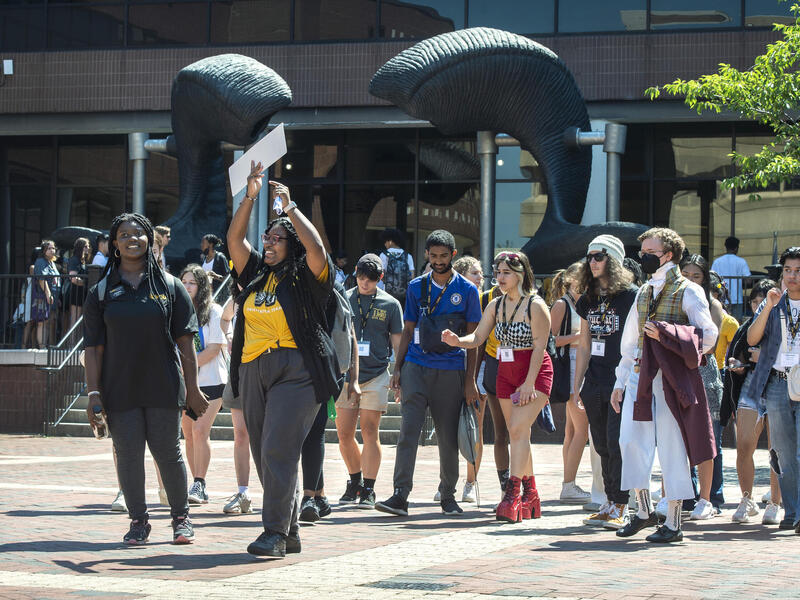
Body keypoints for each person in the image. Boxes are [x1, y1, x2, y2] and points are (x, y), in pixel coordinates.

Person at [227, 162, 340, 557]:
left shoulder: (306, 276)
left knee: (278, 448)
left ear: (290, 244)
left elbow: (318, 249)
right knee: (264, 452)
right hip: (252, 368)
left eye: (277, 239)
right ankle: (289, 530)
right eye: (267, 237)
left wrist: (289, 209)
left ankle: (273, 533)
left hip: (298, 370)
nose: (269, 243)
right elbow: (234, 239)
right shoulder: (256, 274)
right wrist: (251, 196)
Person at [83, 212, 209, 545]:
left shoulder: (170, 286)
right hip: (119, 386)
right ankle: (138, 521)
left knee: (168, 452)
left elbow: (186, 343)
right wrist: (93, 393)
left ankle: (181, 519)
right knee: (127, 453)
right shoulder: (101, 292)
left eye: (139, 233)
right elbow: (93, 349)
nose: (132, 239)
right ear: (115, 244)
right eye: (124, 234)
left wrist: (193, 389)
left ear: (150, 239)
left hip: (163, 383)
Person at [613, 227, 717, 543]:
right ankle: (643, 512)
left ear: (667, 255)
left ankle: (673, 521)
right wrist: (620, 381)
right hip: (639, 376)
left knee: (673, 446)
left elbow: (709, 336)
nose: (641, 255)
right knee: (629, 441)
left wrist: (669, 334)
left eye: (648, 251)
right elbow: (630, 342)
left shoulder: (689, 290)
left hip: (671, 379)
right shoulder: (643, 291)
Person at [375, 230, 481, 518]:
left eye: (443, 256)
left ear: (453, 256)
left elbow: (473, 340)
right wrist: (398, 369)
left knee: (447, 437)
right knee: (407, 433)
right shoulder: (415, 287)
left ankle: (448, 495)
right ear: (426, 255)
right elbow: (407, 330)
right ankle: (400, 495)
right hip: (416, 368)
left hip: (450, 370)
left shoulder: (468, 292)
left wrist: (470, 380)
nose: (438, 261)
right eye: (433, 256)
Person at [442, 251, 552, 522]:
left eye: (506, 273)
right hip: (505, 371)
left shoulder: (536, 305)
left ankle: (513, 494)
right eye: (498, 272)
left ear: (520, 274)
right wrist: (458, 341)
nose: (500, 278)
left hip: (533, 372)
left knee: (516, 429)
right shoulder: (495, 304)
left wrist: (528, 383)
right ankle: (531, 495)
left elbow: (540, 346)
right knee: (519, 434)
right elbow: (478, 337)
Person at [572, 235, 638, 530]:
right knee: (600, 444)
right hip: (594, 380)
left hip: (619, 380)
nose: (593, 262)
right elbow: (584, 344)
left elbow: (637, 343)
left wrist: (629, 379)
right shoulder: (587, 298)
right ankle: (609, 502)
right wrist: (577, 385)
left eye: (599, 256)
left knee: (616, 442)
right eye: (589, 257)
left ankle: (622, 505)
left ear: (613, 260)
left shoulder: (632, 296)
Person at [336, 254, 402, 508]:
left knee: (370, 432)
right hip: (346, 375)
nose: (365, 283)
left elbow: (397, 342)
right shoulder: (344, 298)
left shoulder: (390, 304)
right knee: (344, 434)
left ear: (380, 278)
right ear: (355, 273)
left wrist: (399, 373)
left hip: (375, 374)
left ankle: (369, 487)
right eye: (362, 277)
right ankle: (354, 481)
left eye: (371, 279)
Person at [744, 247, 800, 534]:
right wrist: (767, 305)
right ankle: (792, 512)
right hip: (777, 382)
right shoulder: (775, 304)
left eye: (798, 271)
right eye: (788, 270)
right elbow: (752, 338)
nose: (792, 276)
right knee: (783, 452)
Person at [725, 279, 783, 526]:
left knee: (777, 448)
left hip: (781, 383)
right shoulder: (767, 308)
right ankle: (746, 499)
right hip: (752, 383)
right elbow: (748, 339)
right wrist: (740, 365)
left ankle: (775, 503)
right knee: (744, 444)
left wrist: (767, 356)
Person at [679, 254, 725, 519]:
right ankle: (686, 494)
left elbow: (710, 343)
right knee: (681, 438)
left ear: (705, 279)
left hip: (704, 372)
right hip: (679, 371)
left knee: (710, 438)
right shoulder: (673, 300)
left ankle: (713, 496)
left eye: (697, 276)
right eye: (686, 275)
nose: (691, 280)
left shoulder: (712, 305)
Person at [179, 265, 227, 505]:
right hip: (185, 383)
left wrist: (190, 366)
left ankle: (200, 482)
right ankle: (194, 482)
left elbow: (214, 347)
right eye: (184, 282)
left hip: (210, 382)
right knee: (188, 434)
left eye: (191, 283)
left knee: (200, 431)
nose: (187, 286)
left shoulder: (214, 311)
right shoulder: (179, 311)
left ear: (201, 286)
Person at [549, 262, 592, 505]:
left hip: (580, 366)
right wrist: (580, 336)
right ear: (571, 280)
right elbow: (551, 339)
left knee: (573, 430)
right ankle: (569, 484)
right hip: (571, 368)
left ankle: (569, 482)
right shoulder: (562, 304)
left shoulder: (581, 303)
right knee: (580, 430)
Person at [450, 255, 486, 502]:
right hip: (452, 368)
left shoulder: (487, 301)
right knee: (450, 428)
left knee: (476, 428)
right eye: (475, 272)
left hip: (480, 370)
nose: (480, 277)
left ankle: (471, 482)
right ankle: (448, 482)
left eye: (481, 272)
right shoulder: (454, 300)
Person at [219, 279, 253, 515]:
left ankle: (279, 495)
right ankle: (243, 492)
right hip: (239, 371)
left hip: (267, 370)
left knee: (267, 436)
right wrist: (230, 335)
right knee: (240, 434)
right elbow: (224, 318)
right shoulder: (237, 300)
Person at [712, 236, 751, 321]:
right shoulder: (741, 261)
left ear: (725, 247)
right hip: (737, 298)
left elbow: (713, 279)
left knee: (722, 322)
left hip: (721, 297)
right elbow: (748, 280)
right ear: (737, 248)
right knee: (737, 323)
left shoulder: (717, 262)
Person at [32, 240, 60, 349]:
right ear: (44, 250)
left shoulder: (52, 263)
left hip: (53, 297)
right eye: (49, 248)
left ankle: (45, 345)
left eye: (53, 248)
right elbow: (41, 279)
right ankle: (42, 347)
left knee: (48, 322)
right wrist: (48, 294)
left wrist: (57, 297)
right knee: (42, 322)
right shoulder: (40, 261)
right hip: (42, 296)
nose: (52, 250)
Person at [379, 227, 414, 308]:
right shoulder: (408, 256)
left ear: (390, 241)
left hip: (388, 294)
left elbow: (381, 275)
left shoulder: (383, 255)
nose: (385, 244)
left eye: (385, 241)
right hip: (404, 296)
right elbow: (412, 277)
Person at [67, 237, 91, 329]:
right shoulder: (74, 260)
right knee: (75, 319)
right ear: (80, 247)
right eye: (85, 246)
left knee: (79, 320)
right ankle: (72, 343)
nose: (88, 248)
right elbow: (73, 278)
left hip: (82, 293)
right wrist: (87, 283)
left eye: (88, 246)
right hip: (75, 292)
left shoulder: (83, 261)